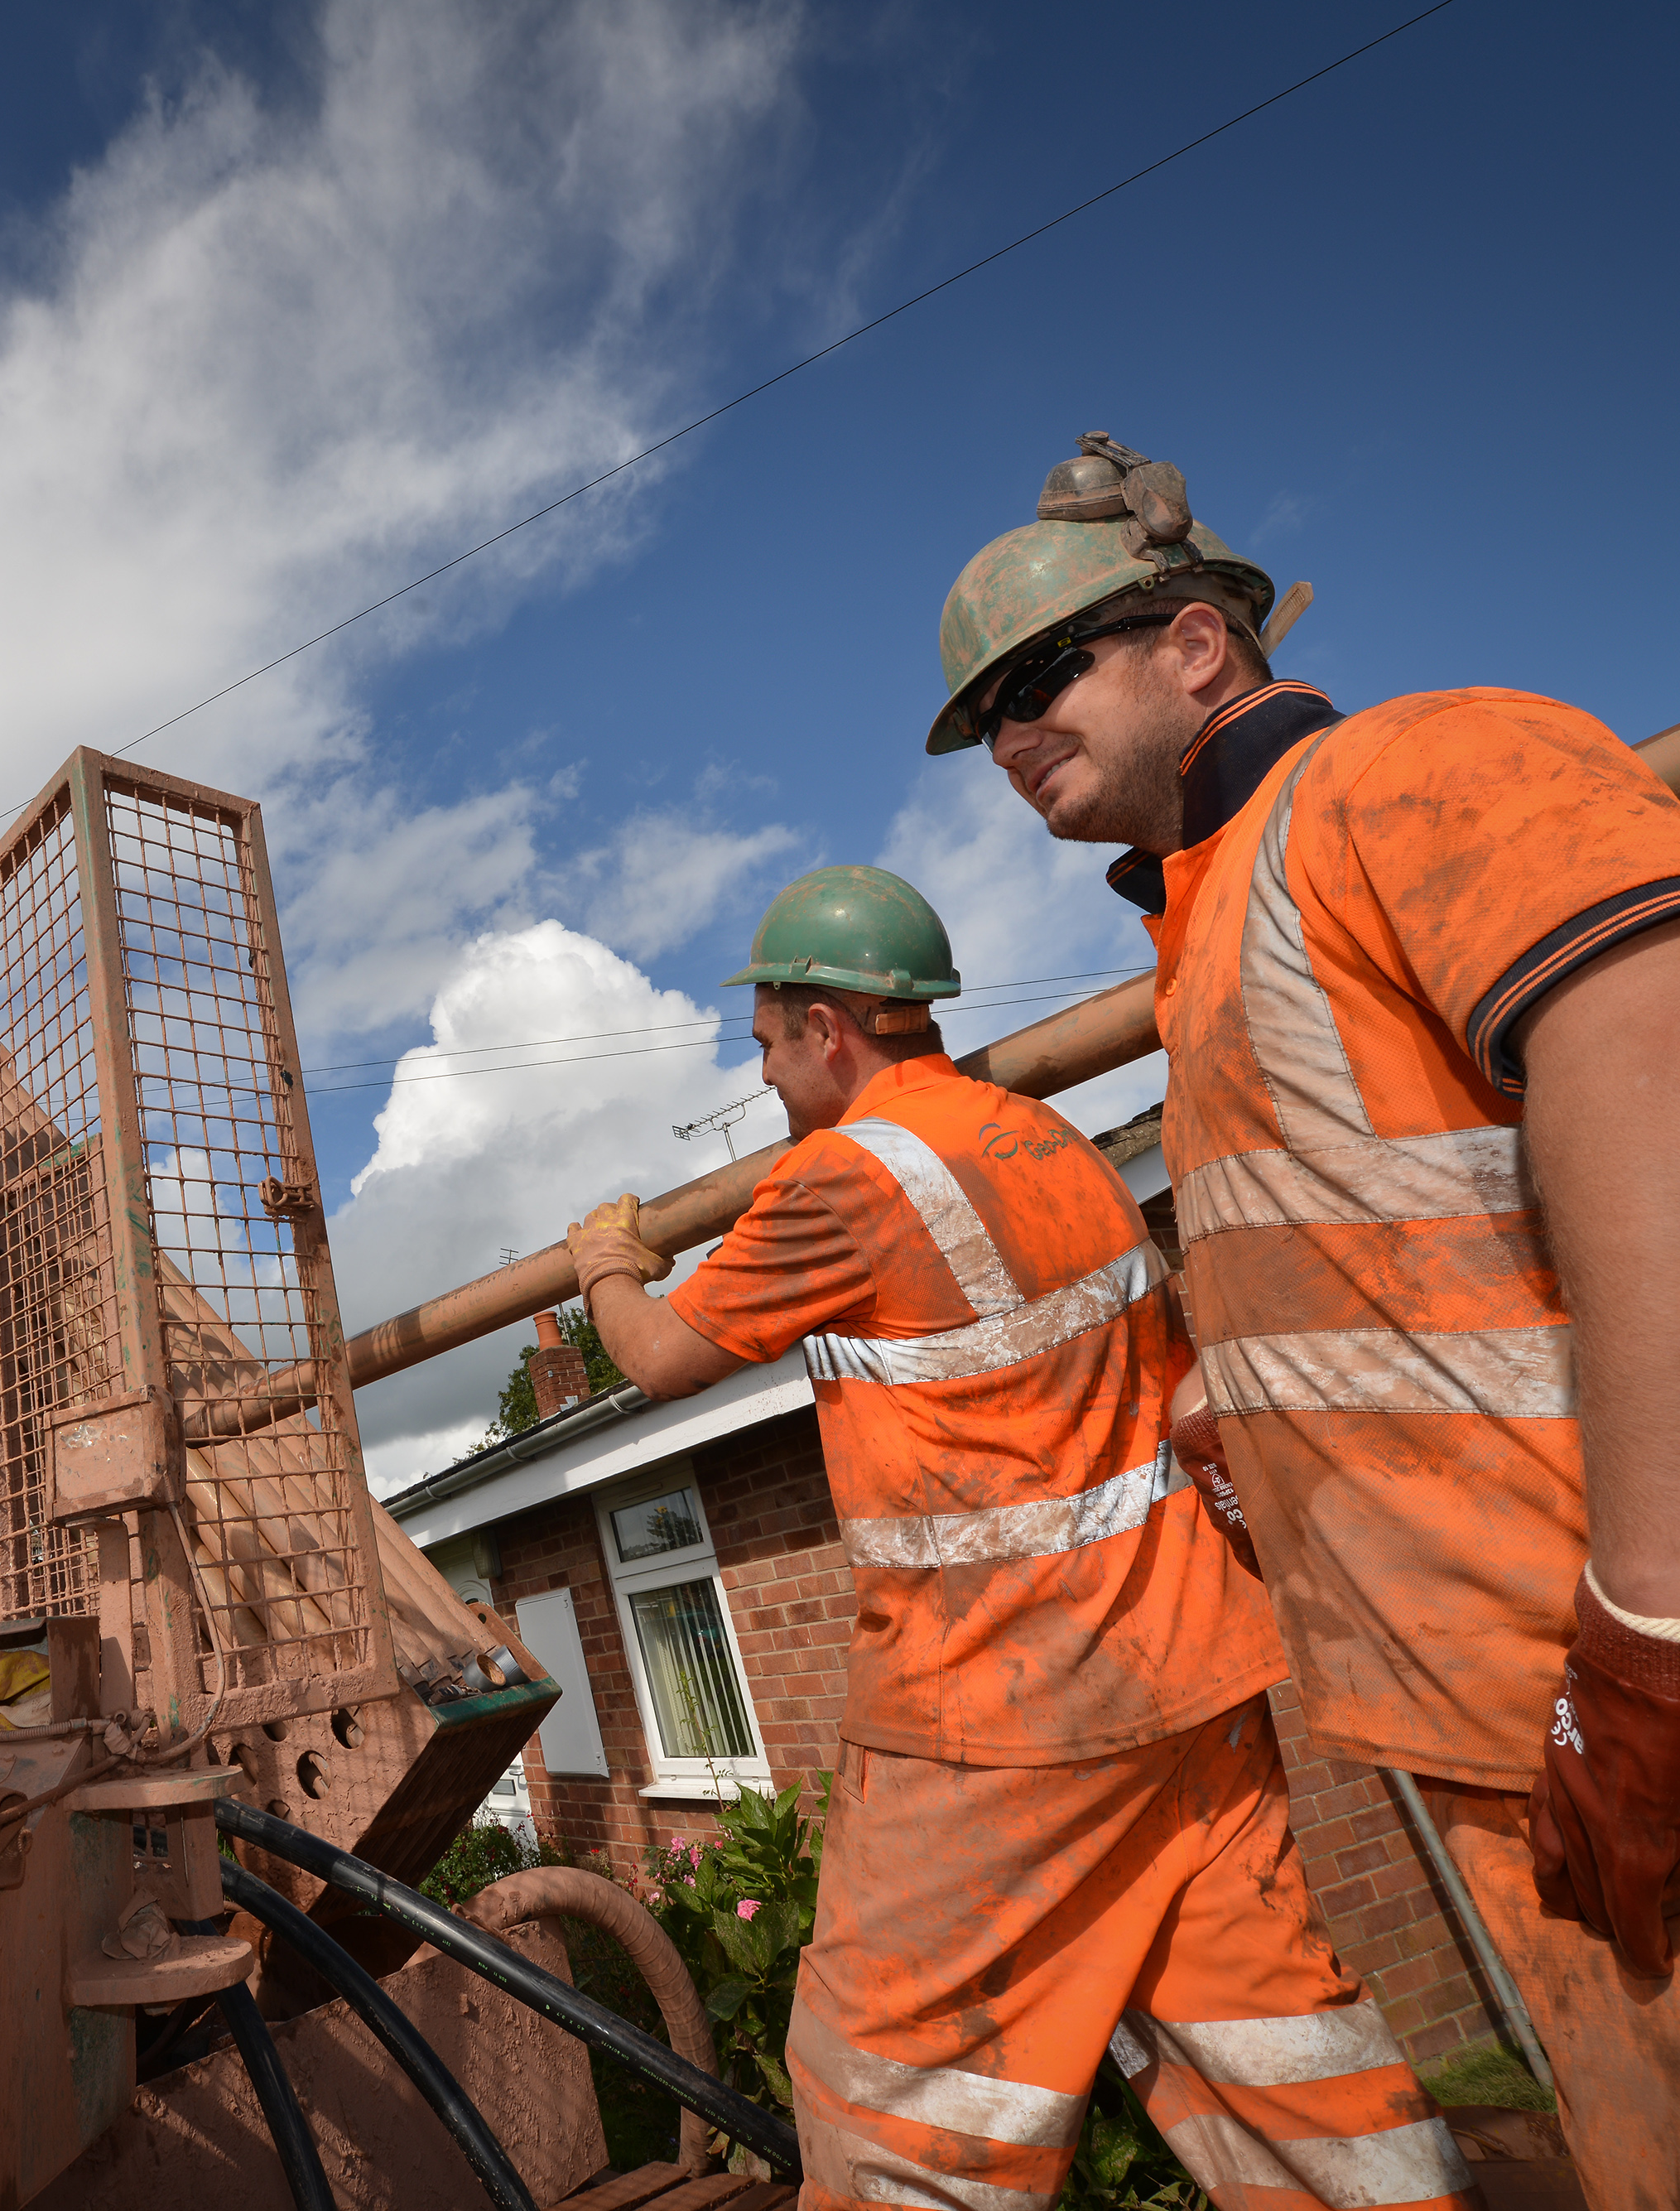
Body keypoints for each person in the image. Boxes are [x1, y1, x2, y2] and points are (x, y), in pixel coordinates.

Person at [932, 433, 1680, 2209]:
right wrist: (1242, 1414)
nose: (1005, 735)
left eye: (1039, 677)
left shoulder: (1404, 771)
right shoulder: (1217, 934)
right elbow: (1410, 1262)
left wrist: (1674, 1639)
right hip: (1576, 1758)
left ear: (1196, 647)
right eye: (981, 721)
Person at [571, 864, 1475, 2211]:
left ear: (830, 1027)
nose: (762, 1075)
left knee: (892, 2080)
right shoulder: (1055, 1147)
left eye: (766, 1041)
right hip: (1192, 1675)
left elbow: (657, 1357)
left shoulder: (846, 1181)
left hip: (997, 1700)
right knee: (1265, 2025)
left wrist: (604, 1257)